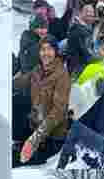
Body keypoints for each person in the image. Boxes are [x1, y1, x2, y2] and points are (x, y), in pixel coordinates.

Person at [12, 35, 70, 167]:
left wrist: (34, 140)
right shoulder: (38, 70)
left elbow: (59, 112)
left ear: (56, 52)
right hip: (34, 122)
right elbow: (19, 83)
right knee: (14, 100)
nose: (45, 53)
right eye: (42, 49)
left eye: (49, 49)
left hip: (51, 136)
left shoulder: (62, 75)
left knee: (10, 159)